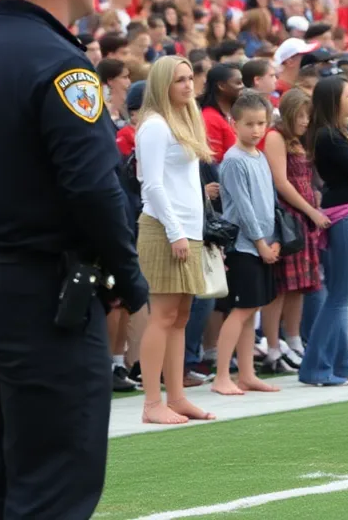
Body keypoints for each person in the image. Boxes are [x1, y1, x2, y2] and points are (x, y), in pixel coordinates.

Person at [0, 0, 146, 518]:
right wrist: (129, 276)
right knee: (54, 478)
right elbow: (91, 186)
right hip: (38, 290)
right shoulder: (62, 64)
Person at [135, 54, 216, 426]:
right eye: (179, 80)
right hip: (166, 229)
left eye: (189, 78)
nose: (188, 84)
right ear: (163, 85)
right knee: (163, 315)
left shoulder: (181, 119)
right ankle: (152, 403)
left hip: (186, 230)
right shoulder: (154, 125)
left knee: (180, 317)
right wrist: (175, 232)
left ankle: (177, 396)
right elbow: (151, 184)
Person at [300, 75, 348, 385]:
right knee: (340, 295)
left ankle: (341, 364)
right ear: (334, 100)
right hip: (345, 213)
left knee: (341, 295)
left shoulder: (343, 131)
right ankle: (315, 368)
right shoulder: (327, 136)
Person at [212, 91, 282, 396]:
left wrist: (275, 239)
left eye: (261, 123)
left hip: (263, 244)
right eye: (249, 124)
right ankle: (221, 376)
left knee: (251, 309)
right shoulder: (233, 161)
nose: (256, 130)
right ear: (234, 123)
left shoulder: (261, 156)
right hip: (243, 247)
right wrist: (260, 243)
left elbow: (270, 201)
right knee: (239, 311)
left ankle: (247, 373)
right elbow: (243, 207)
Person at [261, 89, 326, 373]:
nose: (304, 121)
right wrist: (310, 210)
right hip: (288, 218)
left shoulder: (298, 140)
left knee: (300, 286)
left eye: (307, 116)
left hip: (304, 217)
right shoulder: (276, 137)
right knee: (280, 288)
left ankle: (294, 339)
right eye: (300, 115)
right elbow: (281, 182)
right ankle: (273, 346)